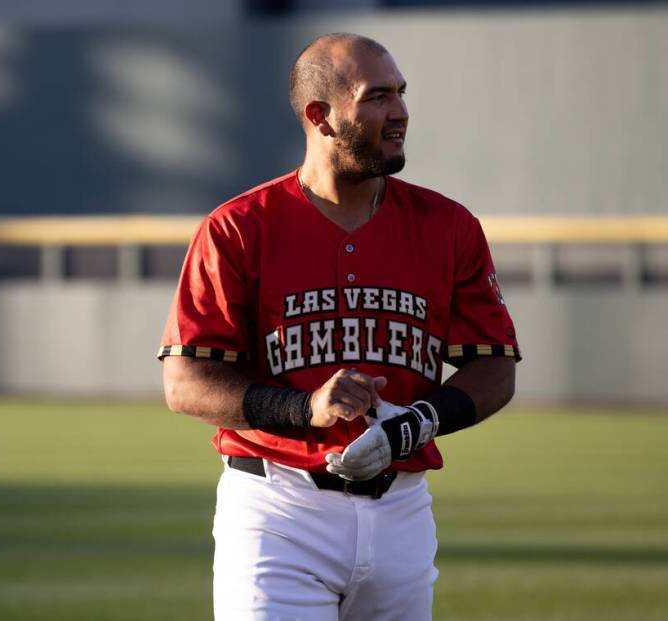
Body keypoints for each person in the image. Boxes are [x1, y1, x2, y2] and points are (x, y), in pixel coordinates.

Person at [157, 33, 519, 620]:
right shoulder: (237, 229)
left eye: (401, 93)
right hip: (279, 510)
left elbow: (495, 367)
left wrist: (416, 423)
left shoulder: (448, 225)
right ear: (320, 116)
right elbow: (185, 385)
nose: (399, 112)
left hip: (402, 509)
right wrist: (305, 410)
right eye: (376, 97)